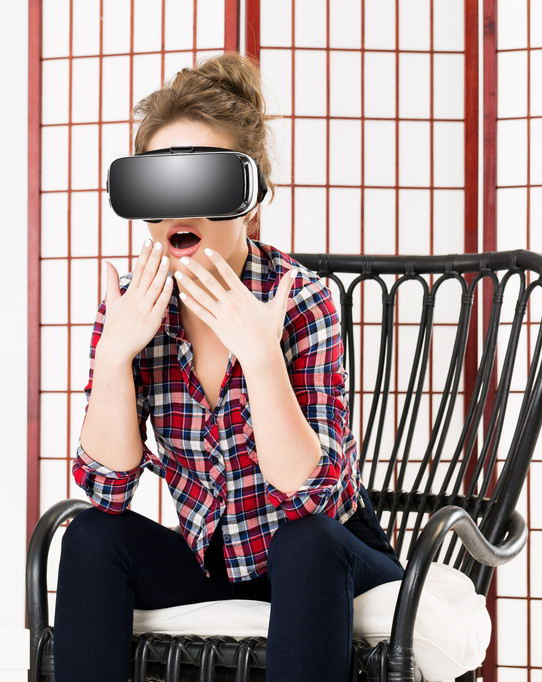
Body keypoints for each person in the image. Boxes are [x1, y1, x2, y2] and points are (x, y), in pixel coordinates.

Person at [52, 52, 404, 682]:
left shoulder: (300, 299)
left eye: (205, 183)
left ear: (249, 203)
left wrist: (262, 357)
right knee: (89, 536)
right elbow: (107, 491)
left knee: (305, 540)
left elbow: (312, 494)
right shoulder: (135, 309)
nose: (178, 208)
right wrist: (114, 356)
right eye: (160, 184)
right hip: (215, 565)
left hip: (330, 557)